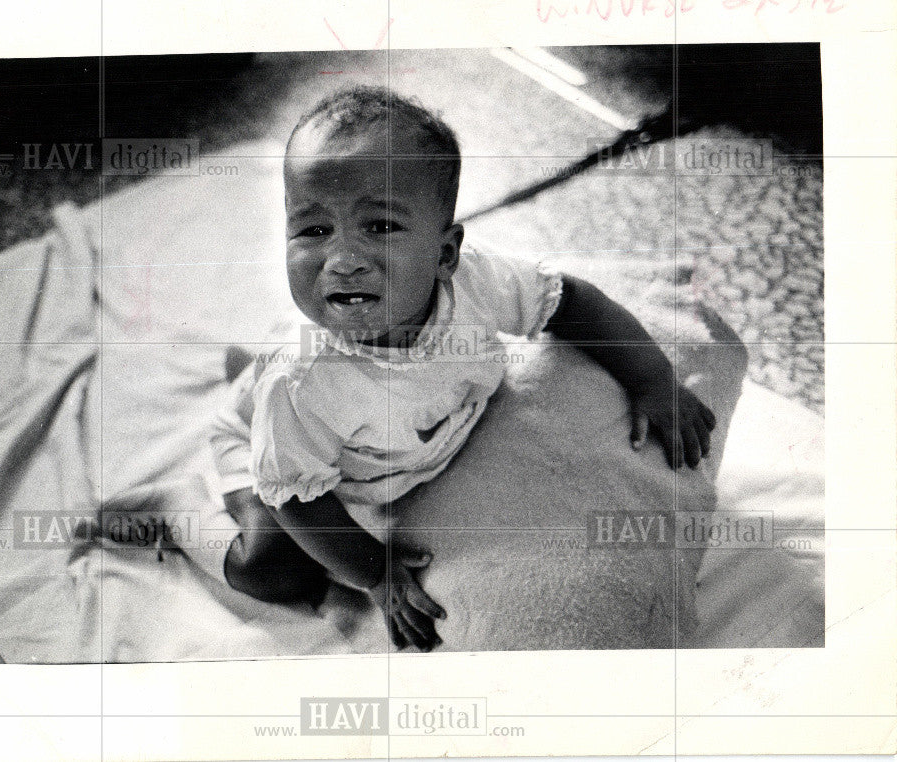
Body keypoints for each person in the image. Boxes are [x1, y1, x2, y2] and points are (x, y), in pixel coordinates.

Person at [209, 86, 716, 651]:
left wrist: (650, 379)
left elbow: (567, 299)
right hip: (278, 466)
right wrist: (376, 574)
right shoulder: (303, 384)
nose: (344, 259)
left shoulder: (475, 285)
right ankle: (174, 516)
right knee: (273, 572)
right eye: (312, 230)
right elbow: (300, 499)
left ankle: (240, 368)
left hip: (375, 450)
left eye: (379, 226)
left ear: (446, 254)